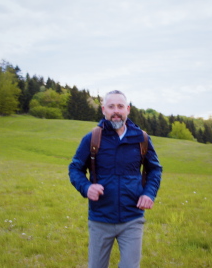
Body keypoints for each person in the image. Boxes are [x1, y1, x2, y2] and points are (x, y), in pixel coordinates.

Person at [69, 90, 163, 268]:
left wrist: (149, 194)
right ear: (103, 110)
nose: (116, 111)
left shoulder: (141, 139)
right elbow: (75, 168)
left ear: (128, 109)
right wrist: (86, 187)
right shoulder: (92, 138)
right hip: (100, 218)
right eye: (111, 106)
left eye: (120, 106)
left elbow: (155, 169)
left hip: (132, 218)